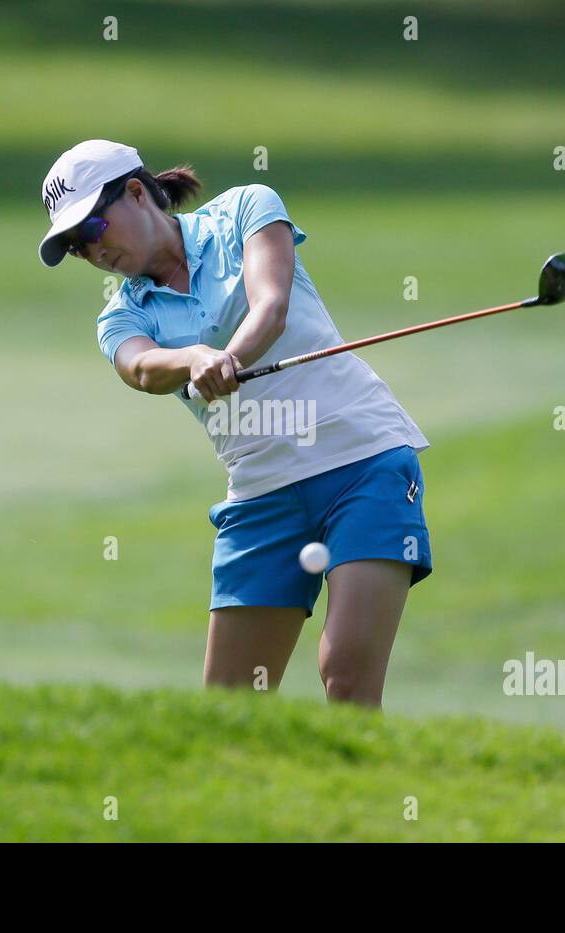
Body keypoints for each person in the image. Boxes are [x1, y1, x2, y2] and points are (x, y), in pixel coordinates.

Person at [39, 139, 432, 710]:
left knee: (345, 674)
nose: (91, 251)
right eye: (76, 247)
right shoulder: (121, 315)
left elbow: (269, 304)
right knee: (228, 708)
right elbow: (142, 368)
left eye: (93, 228)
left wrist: (229, 357)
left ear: (134, 192)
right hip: (260, 496)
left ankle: (365, 798)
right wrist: (194, 358)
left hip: (362, 462)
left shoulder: (246, 207)